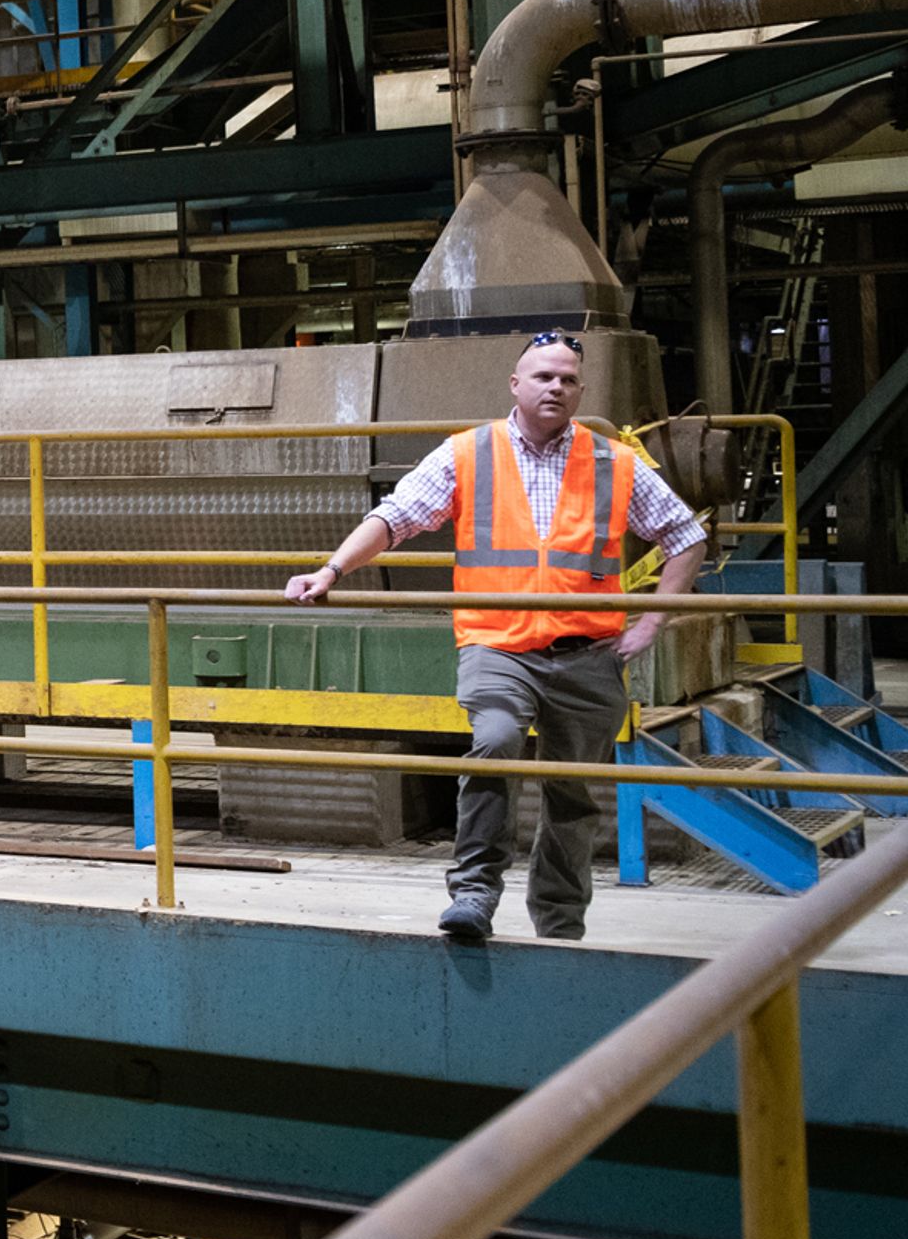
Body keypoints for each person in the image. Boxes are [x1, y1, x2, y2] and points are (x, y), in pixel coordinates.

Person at [284, 332, 708, 942]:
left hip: (587, 655)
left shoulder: (614, 461)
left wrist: (652, 619)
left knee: (573, 794)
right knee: (496, 742)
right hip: (497, 643)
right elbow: (394, 517)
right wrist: (331, 569)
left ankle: (559, 922)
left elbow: (684, 535)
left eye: (566, 379)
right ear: (516, 384)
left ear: (581, 390)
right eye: (542, 377)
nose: (555, 387)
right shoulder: (469, 453)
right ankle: (476, 892)